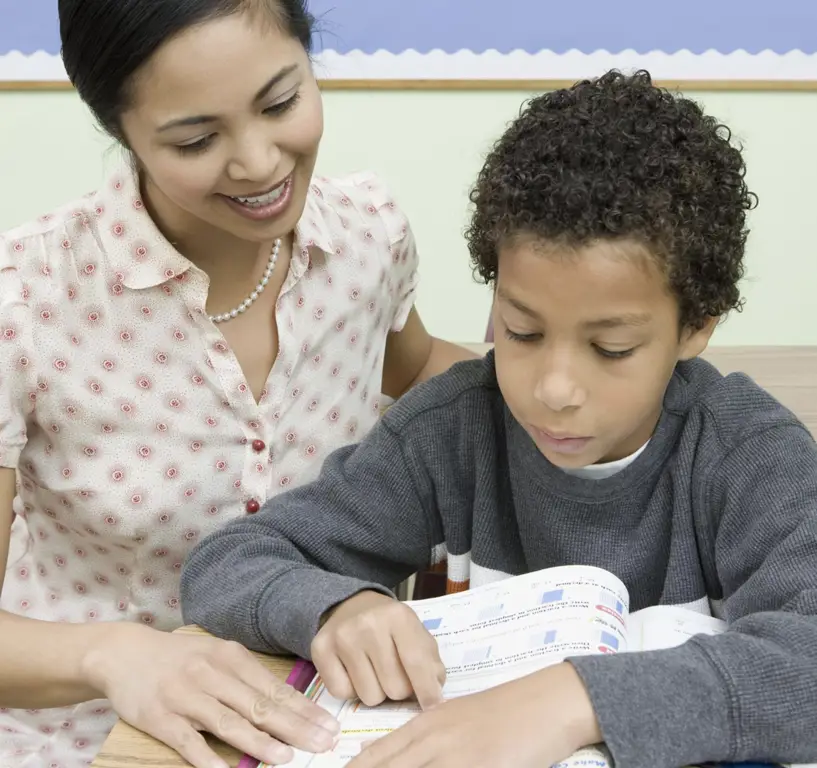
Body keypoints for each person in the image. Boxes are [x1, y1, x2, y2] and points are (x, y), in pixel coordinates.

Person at [181, 70, 817, 768]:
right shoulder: (451, 432)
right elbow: (226, 564)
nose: (553, 388)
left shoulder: (750, 456)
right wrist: (334, 610)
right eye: (520, 331)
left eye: (611, 348)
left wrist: (572, 700)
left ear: (694, 327)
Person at [0, 1, 476, 766]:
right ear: (120, 129)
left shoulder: (365, 240)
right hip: (85, 739)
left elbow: (418, 371)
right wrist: (114, 657)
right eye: (196, 138)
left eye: (281, 102)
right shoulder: (27, 299)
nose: (257, 162)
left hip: (331, 718)